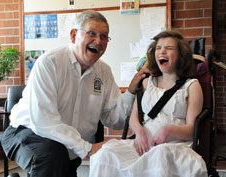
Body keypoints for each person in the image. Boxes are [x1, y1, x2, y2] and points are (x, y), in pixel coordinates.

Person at [1, 11, 151, 177]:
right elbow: (43, 121)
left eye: (104, 36)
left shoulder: (104, 72)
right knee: (52, 155)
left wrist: (130, 92)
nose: (98, 41)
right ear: (73, 35)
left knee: (60, 157)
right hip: (25, 131)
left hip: (67, 146)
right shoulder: (49, 63)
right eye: (92, 33)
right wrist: (87, 148)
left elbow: (114, 119)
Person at [89, 30, 208, 177]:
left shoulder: (191, 86)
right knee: (104, 154)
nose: (162, 51)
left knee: (159, 156)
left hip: (175, 146)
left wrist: (167, 130)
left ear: (181, 55)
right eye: (158, 48)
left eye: (168, 48)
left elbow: (192, 130)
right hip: (142, 143)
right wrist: (138, 132)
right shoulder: (146, 83)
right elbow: (133, 118)